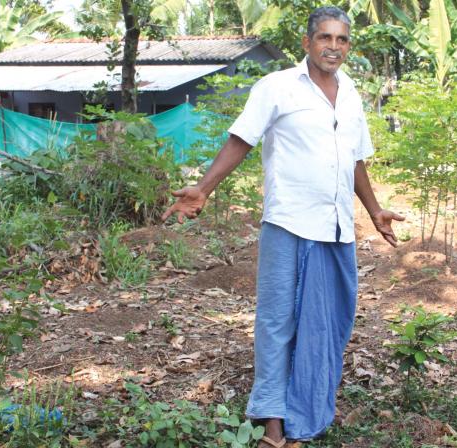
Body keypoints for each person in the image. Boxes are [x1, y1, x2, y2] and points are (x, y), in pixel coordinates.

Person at [161, 6, 403, 447]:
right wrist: (204, 189)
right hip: (288, 222)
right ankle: (274, 424)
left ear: (349, 46)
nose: (334, 47)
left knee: (329, 322)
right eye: (325, 38)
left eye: (342, 39)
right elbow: (241, 140)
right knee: (278, 322)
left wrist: (373, 210)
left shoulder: (350, 93)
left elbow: (355, 159)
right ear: (307, 43)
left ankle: (305, 413)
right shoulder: (276, 87)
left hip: (335, 230)